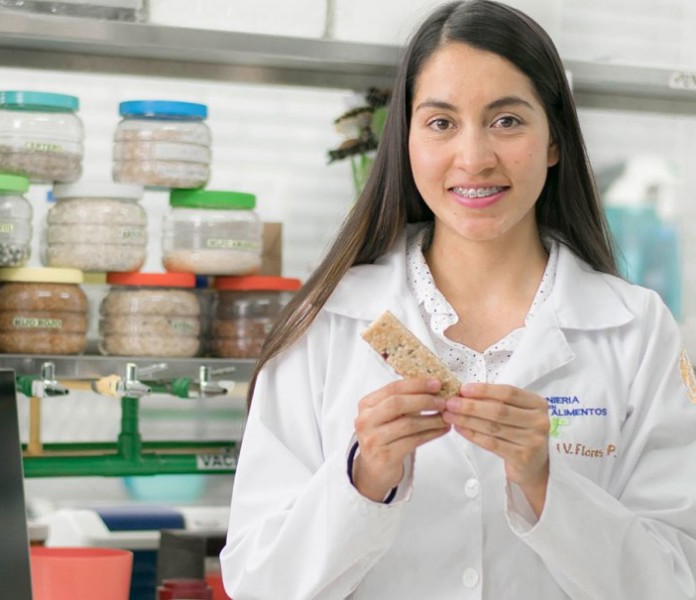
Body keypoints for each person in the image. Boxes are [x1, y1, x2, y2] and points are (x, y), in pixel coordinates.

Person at [219, 1, 696, 598]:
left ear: (555, 141)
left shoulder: (636, 330)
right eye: (441, 123)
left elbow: (678, 581)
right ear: (408, 141)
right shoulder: (327, 321)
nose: (474, 158)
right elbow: (258, 583)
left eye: (507, 121)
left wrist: (546, 484)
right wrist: (363, 480)